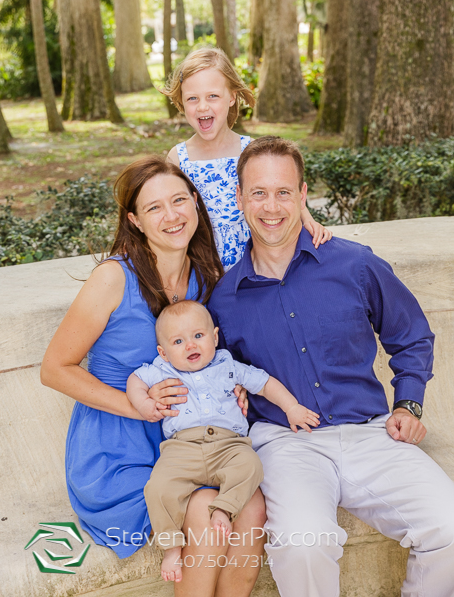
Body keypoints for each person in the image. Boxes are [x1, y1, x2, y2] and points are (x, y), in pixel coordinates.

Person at [208, 135, 454, 597]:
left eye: (284, 192)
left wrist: (410, 406)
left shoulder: (355, 265)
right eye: (258, 193)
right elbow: (218, 372)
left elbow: (412, 335)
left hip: (371, 433)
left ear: (303, 196)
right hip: (286, 443)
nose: (271, 206)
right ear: (240, 198)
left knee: (452, 528)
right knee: (303, 546)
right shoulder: (224, 299)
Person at [41, 156, 267, 596]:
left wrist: (230, 385)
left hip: (193, 437)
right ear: (135, 220)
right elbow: (54, 369)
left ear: (196, 204)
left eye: (180, 200)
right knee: (204, 508)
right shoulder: (113, 278)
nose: (172, 215)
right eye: (154, 208)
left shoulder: (205, 276)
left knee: (254, 507)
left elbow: (210, 355)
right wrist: (134, 404)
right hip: (120, 444)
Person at [127, 299, 319, 583]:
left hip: (229, 446)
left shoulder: (228, 365)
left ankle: (224, 509)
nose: (191, 345)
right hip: (182, 448)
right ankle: (171, 547)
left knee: (251, 466)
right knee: (158, 487)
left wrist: (291, 408)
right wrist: (143, 403)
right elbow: (135, 380)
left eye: (198, 336)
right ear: (163, 352)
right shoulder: (162, 370)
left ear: (214, 337)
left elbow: (265, 383)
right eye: (178, 341)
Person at [163, 46, 331, 268]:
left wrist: (308, 220)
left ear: (232, 97)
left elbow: (282, 189)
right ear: (182, 102)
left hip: (252, 263)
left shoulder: (250, 150)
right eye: (192, 98)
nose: (203, 106)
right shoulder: (178, 158)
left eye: (213, 96)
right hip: (202, 265)